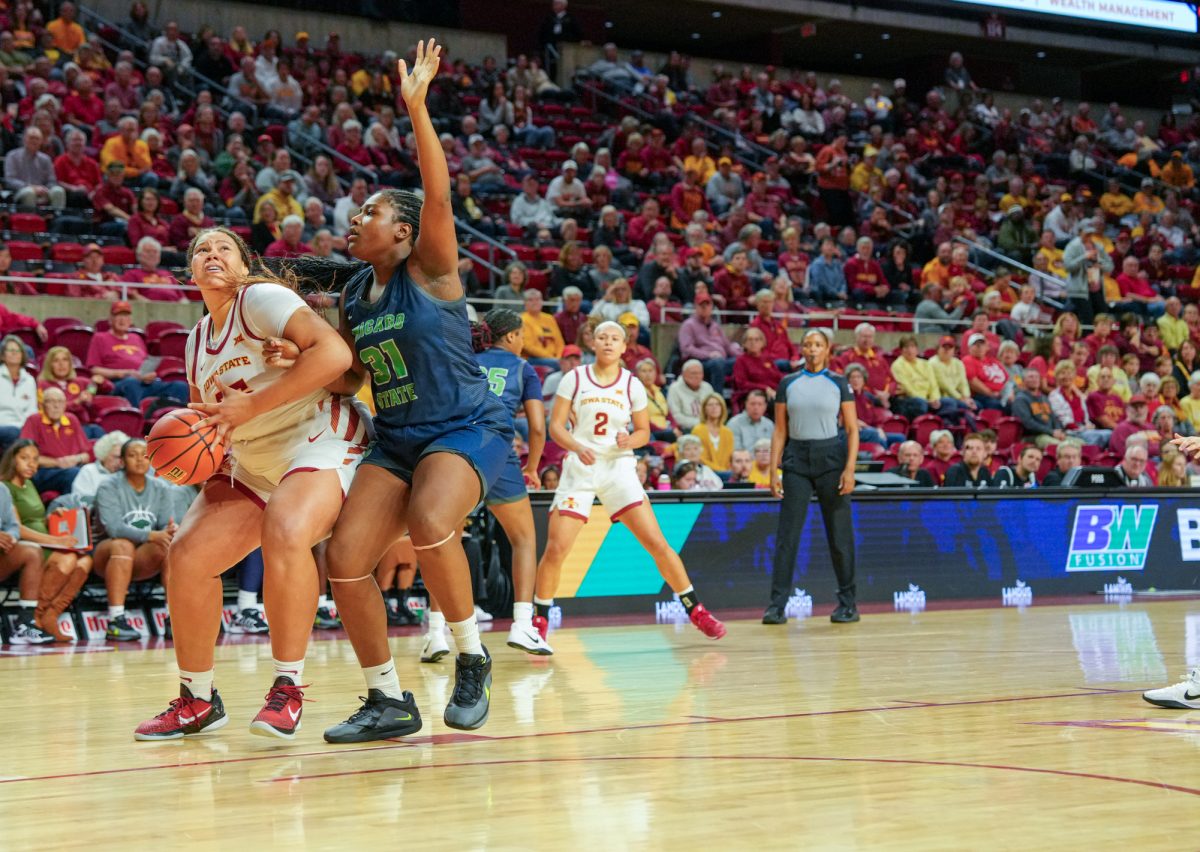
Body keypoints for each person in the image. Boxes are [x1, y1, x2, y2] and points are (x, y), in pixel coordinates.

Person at [302, 42, 514, 743]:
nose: (354, 217)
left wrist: (418, 110)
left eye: (370, 211)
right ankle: (387, 698)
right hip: (395, 435)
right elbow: (356, 376)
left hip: (462, 429)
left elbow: (440, 194)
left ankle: (472, 656)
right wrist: (297, 360)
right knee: (345, 559)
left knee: (430, 520)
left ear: (403, 230)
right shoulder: (356, 293)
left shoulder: (433, 268)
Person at [131, 225, 370, 742]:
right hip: (254, 459)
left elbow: (335, 357)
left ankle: (288, 689)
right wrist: (197, 462)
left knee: (286, 530)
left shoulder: (261, 299)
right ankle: (197, 699)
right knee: (188, 555)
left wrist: (251, 406)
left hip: (318, 437)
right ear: (189, 271)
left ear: (244, 266)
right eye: (200, 250)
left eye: (223, 247)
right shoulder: (196, 341)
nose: (211, 254)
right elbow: (209, 422)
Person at [533, 320, 726, 639]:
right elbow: (555, 427)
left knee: (657, 543)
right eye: (602, 338)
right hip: (580, 466)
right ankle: (539, 620)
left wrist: (630, 441)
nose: (608, 342)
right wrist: (577, 446)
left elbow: (643, 432)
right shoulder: (575, 378)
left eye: (615, 339)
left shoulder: (632, 384)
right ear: (592, 344)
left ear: (624, 347)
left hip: (618, 468)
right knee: (556, 547)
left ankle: (696, 610)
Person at [467, 309, 553, 656]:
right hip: (498, 453)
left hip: (456, 448)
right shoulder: (523, 368)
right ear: (514, 336)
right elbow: (536, 426)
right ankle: (522, 623)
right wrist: (532, 465)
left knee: (445, 541)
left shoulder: (469, 359)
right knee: (523, 539)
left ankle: (437, 632)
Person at [763, 328, 859, 626]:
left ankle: (847, 604)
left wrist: (850, 469)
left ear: (827, 349)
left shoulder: (839, 383)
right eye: (807, 344)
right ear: (801, 349)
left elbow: (853, 429)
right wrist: (773, 470)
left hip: (831, 458)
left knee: (839, 535)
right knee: (787, 536)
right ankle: (776, 606)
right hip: (796, 460)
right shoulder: (788, 382)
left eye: (818, 344)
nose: (812, 349)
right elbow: (780, 430)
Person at [2, 439, 91, 642]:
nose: (31, 464)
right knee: (67, 559)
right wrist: (56, 541)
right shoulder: (5, 487)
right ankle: (33, 617)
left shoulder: (30, 485)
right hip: (27, 547)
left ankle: (49, 615)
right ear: (11, 459)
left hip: (41, 543)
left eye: (35, 459)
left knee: (85, 560)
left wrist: (51, 518)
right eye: (24, 458)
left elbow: (32, 520)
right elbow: (19, 528)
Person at [92, 439, 177, 642]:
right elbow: (113, 528)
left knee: (169, 546)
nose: (140, 459)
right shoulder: (108, 486)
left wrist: (171, 531)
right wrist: (150, 535)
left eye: (145, 455)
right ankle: (116, 620)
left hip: (141, 558)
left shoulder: (161, 487)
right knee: (123, 544)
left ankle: (173, 616)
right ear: (122, 461)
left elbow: (165, 526)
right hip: (107, 555)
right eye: (132, 455)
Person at [85, 301, 188, 407]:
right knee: (131, 383)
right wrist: (124, 373)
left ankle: (169, 418)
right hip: (119, 382)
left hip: (144, 382)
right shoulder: (100, 337)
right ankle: (138, 421)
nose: (122, 319)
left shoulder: (136, 338)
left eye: (126, 316)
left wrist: (149, 375)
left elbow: (144, 363)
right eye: (118, 315)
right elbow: (94, 370)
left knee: (180, 386)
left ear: (130, 320)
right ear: (110, 320)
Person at [0, 447, 52, 643]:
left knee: (32, 551)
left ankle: (25, 623)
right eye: (24, 458)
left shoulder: (2, 490)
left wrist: (10, 538)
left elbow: (13, 526)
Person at [19, 387, 91, 494]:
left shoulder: (72, 419)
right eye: (51, 401)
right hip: (43, 471)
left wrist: (76, 458)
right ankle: (71, 509)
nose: (56, 406)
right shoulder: (33, 420)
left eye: (60, 401)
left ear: (65, 405)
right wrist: (57, 463)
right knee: (74, 473)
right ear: (42, 405)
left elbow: (87, 454)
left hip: (72, 467)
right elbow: (25, 457)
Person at [0, 335, 39, 450]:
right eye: (11, 350)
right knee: (14, 434)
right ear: (2, 355)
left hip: (22, 427)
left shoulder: (29, 380)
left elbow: (32, 410)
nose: (14, 353)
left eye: (18, 351)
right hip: (2, 426)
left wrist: (26, 428)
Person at [666, 359, 714, 433]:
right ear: (683, 374)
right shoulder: (675, 388)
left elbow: (714, 408)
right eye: (693, 373)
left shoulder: (707, 387)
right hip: (686, 429)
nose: (697, 376)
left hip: (708, 426)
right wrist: (700, 423)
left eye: (699, 373)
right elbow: (675, 416)